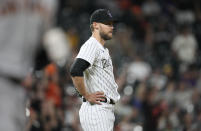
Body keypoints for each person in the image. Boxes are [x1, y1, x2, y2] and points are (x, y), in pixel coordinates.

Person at [70, 9, 120, 131]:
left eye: (112, 24)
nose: (112, 27)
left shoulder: (101, 49)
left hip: (103, 109)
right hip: (97, 109)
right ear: (95, 25)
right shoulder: (92, 45)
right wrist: (86, 95)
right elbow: (76, 70)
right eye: (108, 24)